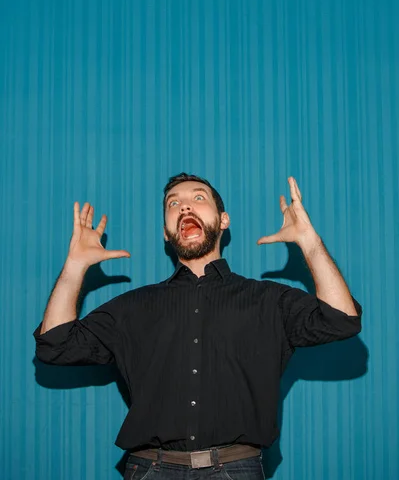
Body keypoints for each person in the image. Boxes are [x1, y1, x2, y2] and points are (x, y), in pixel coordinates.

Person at [34, 173, 362, 480]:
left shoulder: (267, 300)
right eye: (173, 203)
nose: (185, 206)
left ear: (223, 220)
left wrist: (309, 242)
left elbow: (341, 320)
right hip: (150, 470)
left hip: (238, 469)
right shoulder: (132, 307)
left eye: (198, 197)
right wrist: (74, 266)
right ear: (166, 232)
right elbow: (55, 345)